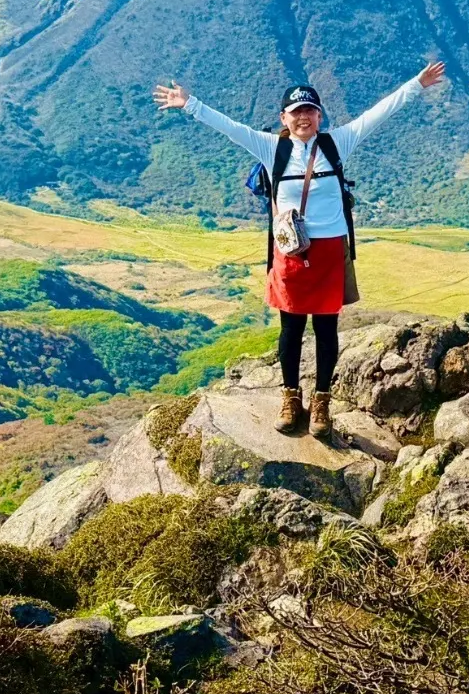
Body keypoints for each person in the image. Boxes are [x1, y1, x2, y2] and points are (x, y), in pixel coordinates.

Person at [153, 61, 447, 437]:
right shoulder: (271, 148)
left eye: (310, 110)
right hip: (291, 253)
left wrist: (418, 84)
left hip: (330, 252)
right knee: (290, 329)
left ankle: (321, 403)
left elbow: (379, 113)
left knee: (326, 329)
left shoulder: (336, 143)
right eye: (296, 111)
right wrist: (189, 103)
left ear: (320, 116)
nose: (303, 117)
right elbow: (229, 127)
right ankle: (291, 398)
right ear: (284, 117)